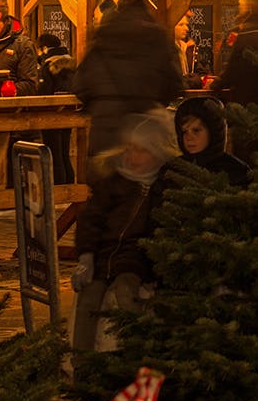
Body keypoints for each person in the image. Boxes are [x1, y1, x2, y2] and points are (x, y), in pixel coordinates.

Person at [71, 112, 179, 356]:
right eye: (129, 148)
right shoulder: (114, 182)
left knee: (126, 296)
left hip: (133, 260)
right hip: (103, 256)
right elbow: (91, 220)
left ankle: (133, 356)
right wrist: (86, 255)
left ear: (157, 153)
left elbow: (159, 231)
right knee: (88, 301)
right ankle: (82, 364)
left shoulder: (160, 189)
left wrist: (154, 268)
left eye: (141, 150)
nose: (131, 156)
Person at [74, 0, 183, 178]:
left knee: (103, 188)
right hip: (144, 134)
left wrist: (99, 103)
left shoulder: (102, 38)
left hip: (105, 128)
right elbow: (174, 85)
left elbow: (80, 85)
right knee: (142, 191)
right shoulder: (157, 38)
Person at [173, 96, 249, 186]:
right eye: (184, 132)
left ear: (213, 132)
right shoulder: (173, 171)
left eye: (196, 130)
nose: (188, 137)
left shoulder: (236, 172)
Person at [35, 33, 79, 186]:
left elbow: (43, 93)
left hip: (51, 114)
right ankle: (69, 188)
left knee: (54, 155)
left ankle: (57, 190)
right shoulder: (72, 64)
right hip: (68, 114)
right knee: (65, 154)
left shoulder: (48, 66)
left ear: (44, 48)